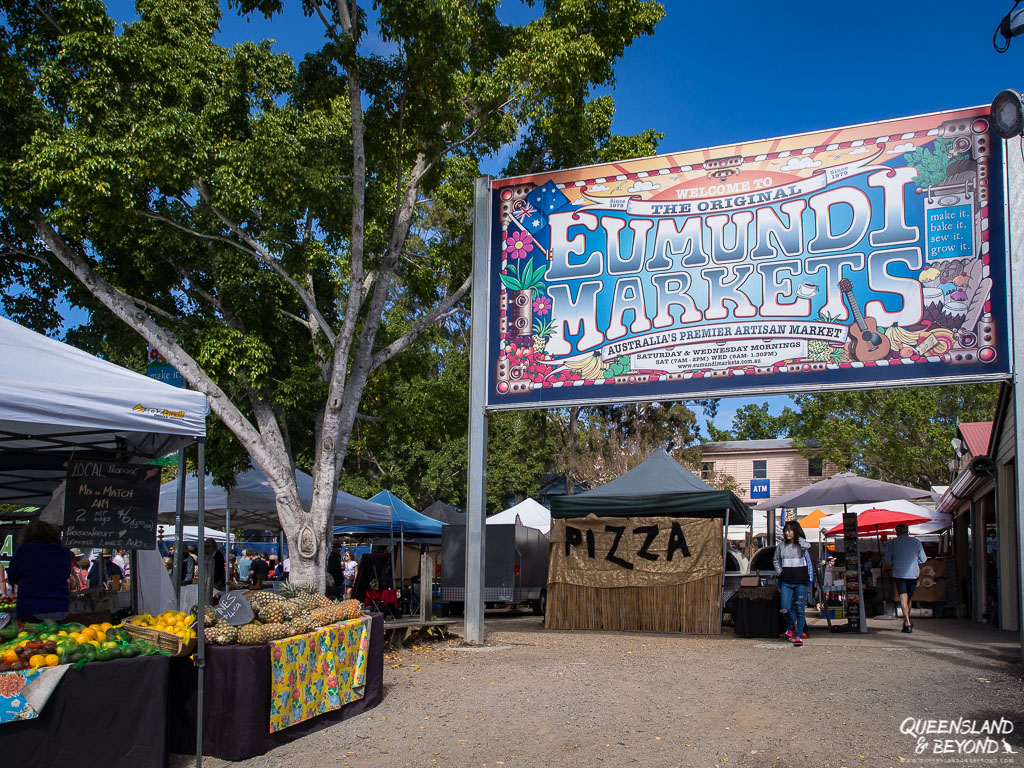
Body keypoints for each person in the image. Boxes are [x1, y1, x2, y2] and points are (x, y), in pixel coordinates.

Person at [6, 520, 72, 621]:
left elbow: (12, 576)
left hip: (31, 607)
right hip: (60, 607)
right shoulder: (64, 551)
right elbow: (66, 574)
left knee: (32, 636)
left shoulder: (25, 550)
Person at [773, 521, 813, 647]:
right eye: (786, 530)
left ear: (796, 531)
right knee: (785, 608)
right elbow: (776, 560)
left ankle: (798, 636)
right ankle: (790, 627)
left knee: (800, 610)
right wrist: (780, 572)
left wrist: (809, 580)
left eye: (790, 530)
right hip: (786, 582)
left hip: (800, 581)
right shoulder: (781, 546)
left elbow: (808, 551)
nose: (787, 533)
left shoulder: (802, 546)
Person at [884, 522, 927, 633]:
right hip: (913, 574)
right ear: (908, 531)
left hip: (899, 573)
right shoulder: (916, 542)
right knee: (909, 598)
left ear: (896, 532)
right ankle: (907, 620)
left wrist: (896, 562)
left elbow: (888, 560)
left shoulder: (892, 543)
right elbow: (923, 559)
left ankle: (907, 622)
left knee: (903, 597)